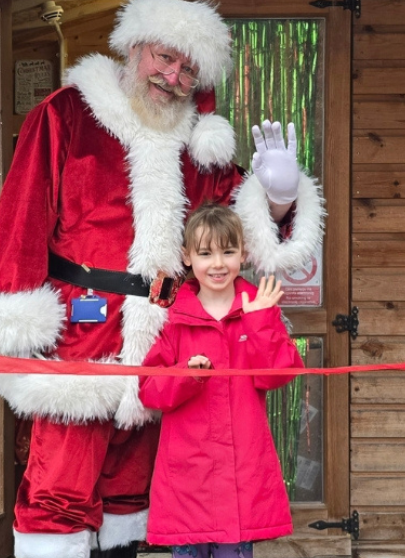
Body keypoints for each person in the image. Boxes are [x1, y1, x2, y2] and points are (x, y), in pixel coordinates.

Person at [0, 0, 324, 558]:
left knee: (132, 493)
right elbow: (20, 221)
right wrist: (16, 320)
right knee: (58, 489)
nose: (173, 77)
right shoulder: (66, 114)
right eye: (164, 58)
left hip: (164, 342)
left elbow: (237, 236)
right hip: (79, 336)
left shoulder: (200, 146)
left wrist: (277, 197)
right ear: (135, 49)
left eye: (187, 68)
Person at [138, 203, 302, 557]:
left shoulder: (256, 308)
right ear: (187, 257)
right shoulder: (172, 318)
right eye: (205, 253)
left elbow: (278, 375)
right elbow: (150, 391)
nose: (217, 263)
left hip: (240, 477)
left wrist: (260, 322)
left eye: (228, 252)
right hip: (187, 482)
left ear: (243, 253)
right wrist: (187, 376)